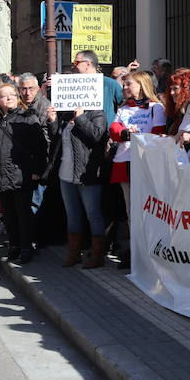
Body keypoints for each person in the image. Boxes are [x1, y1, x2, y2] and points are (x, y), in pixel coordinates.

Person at [0, 84, 47, 264]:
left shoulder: (27, 117)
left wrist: (36, 170)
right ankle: (14, 245)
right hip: (1, 175)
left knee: (22, 213)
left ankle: (26, 247)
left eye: (11, 95)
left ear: (17, 97)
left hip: (20, 174)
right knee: (8, 214)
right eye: (3, 96)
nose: (8, 98)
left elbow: (40, 146)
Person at [109, 71, 166, 268]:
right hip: (125, 162)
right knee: (131, 211)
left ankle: (148, 253)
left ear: (141, 85)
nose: (124, 88)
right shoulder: (124, 108)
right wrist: (126, 133)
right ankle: (136, 252)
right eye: (124, 85)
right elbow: (114, 130)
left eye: (128, 85)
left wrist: (139, 136)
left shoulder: (155, 108)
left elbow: (158, 134)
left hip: (146, 164)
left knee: (148, 211)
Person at [46, 99, 108, 269]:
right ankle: (74, 253)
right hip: (65, 175)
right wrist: (53, 122)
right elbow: (57, 141)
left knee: (93, 214)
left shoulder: (97, 113)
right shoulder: (65, 115)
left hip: (87, 175)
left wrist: (80, 118)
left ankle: (97, 255)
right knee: (72, 214)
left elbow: (96, 135)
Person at [73, 50, 123, 125]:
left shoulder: (110, 83)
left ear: (87, 64)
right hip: (79, 132)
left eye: (76, 63)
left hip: (105, 133)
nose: (74, 66)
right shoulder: (73, 84)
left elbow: (125, 104)